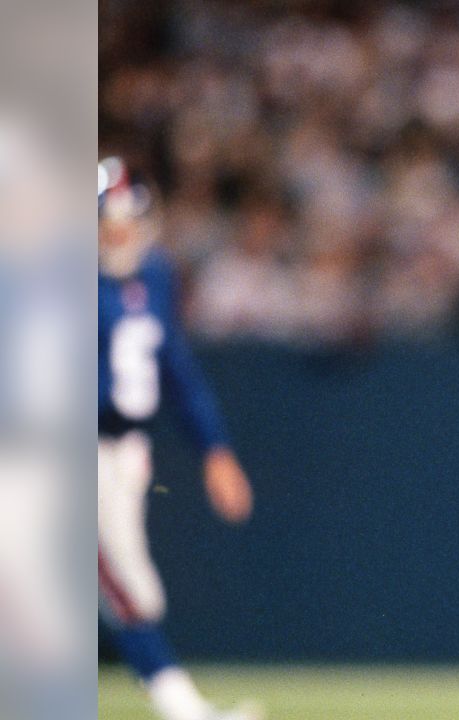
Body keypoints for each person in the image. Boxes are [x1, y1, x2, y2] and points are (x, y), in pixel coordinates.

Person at [97, 157, 262, 720]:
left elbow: (176, 369)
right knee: (122, 584)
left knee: (131, 587)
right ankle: (183, 708)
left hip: (124, 454)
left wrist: (214, 449)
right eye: (106, 222)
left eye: (126, 221)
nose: (118, 235)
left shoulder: (156, 273)